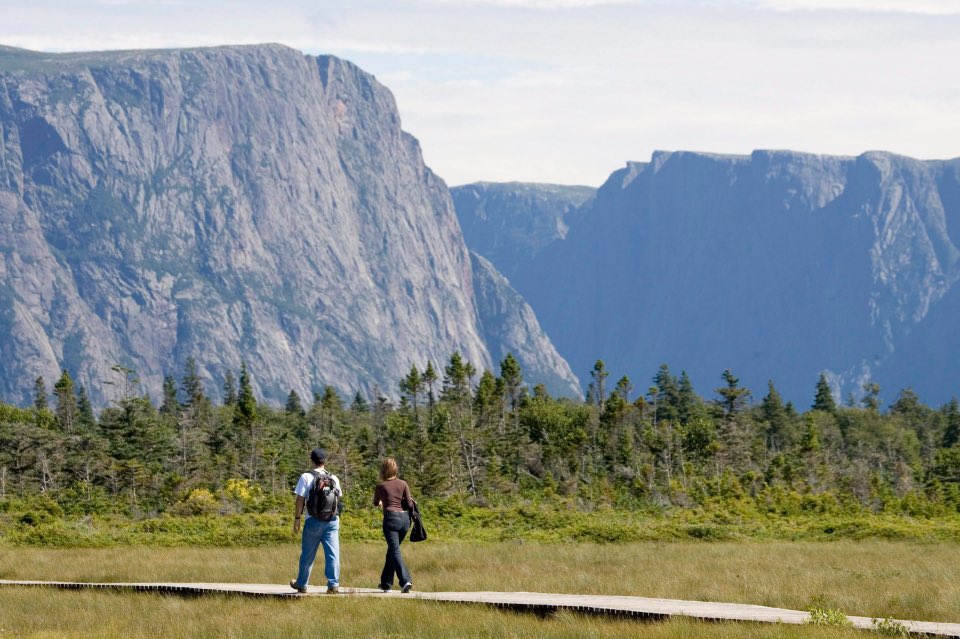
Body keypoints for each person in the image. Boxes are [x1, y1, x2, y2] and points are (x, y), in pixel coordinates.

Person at [290, 447, 342, 594]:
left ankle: (302, 584)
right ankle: (333, 584)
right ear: (324, 461)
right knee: (332, 553)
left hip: (313, 520)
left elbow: (300, 499)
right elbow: (338, 499)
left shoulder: (306, 477)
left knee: (307, 554)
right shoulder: (334, 478)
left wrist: (297, 518)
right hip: (332, 520)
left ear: (312, 460)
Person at [373, 457, 414, 593]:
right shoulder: (403, 484)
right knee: (392, 550)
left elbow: (375, 502)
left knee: (394, 550)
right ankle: (385, 584)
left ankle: (405, 580)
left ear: (383, 471)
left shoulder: (380, 486)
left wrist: (382, 503)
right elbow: (409, 504)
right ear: (395, 469)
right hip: (404, 520)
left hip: (390, 519)